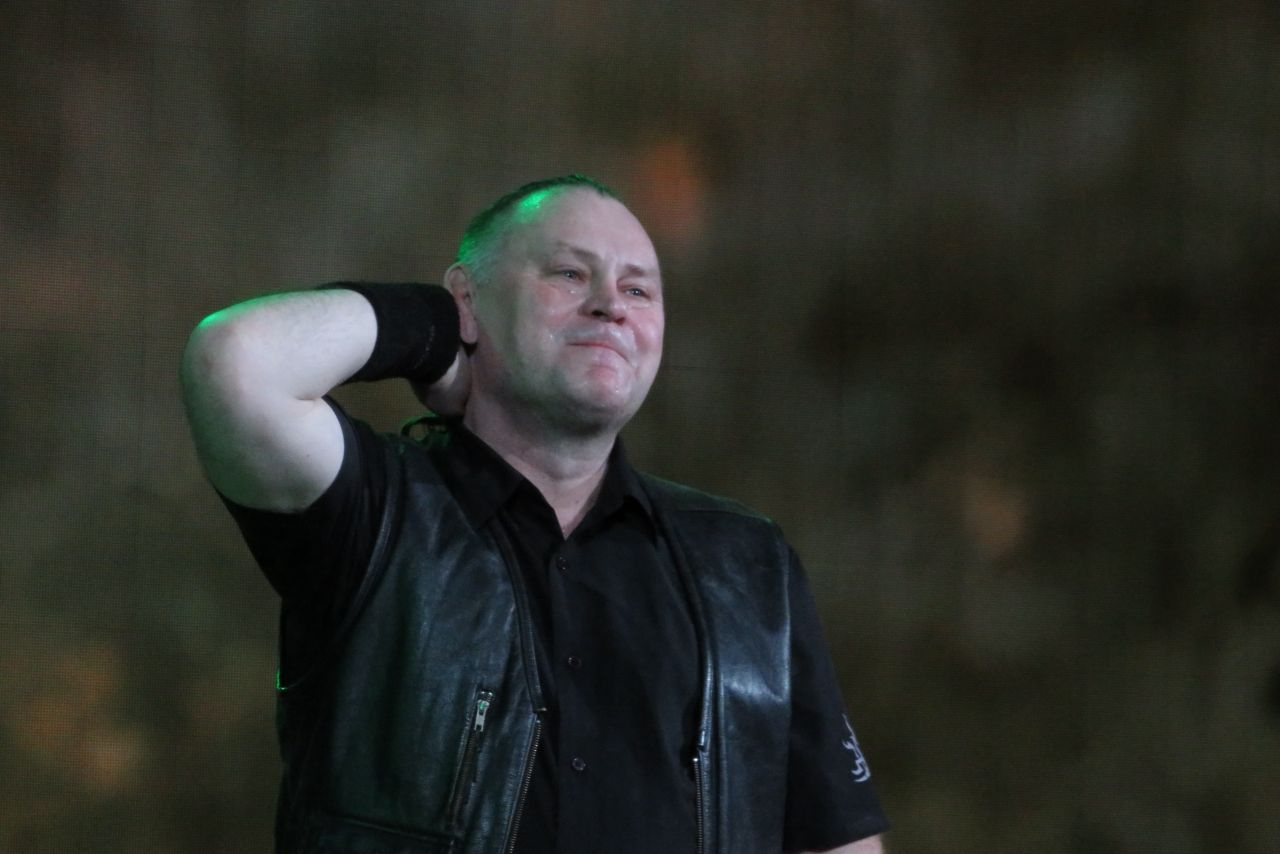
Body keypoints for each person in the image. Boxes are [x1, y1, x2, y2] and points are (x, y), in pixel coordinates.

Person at [181, 175, 890, 854]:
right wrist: (435, 329)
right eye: (570, 274)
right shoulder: (379, 510)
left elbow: (836, 837)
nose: (611, 305)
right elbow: (234, 359)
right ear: (470, 298)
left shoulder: (748, 565)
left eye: (638, 288)